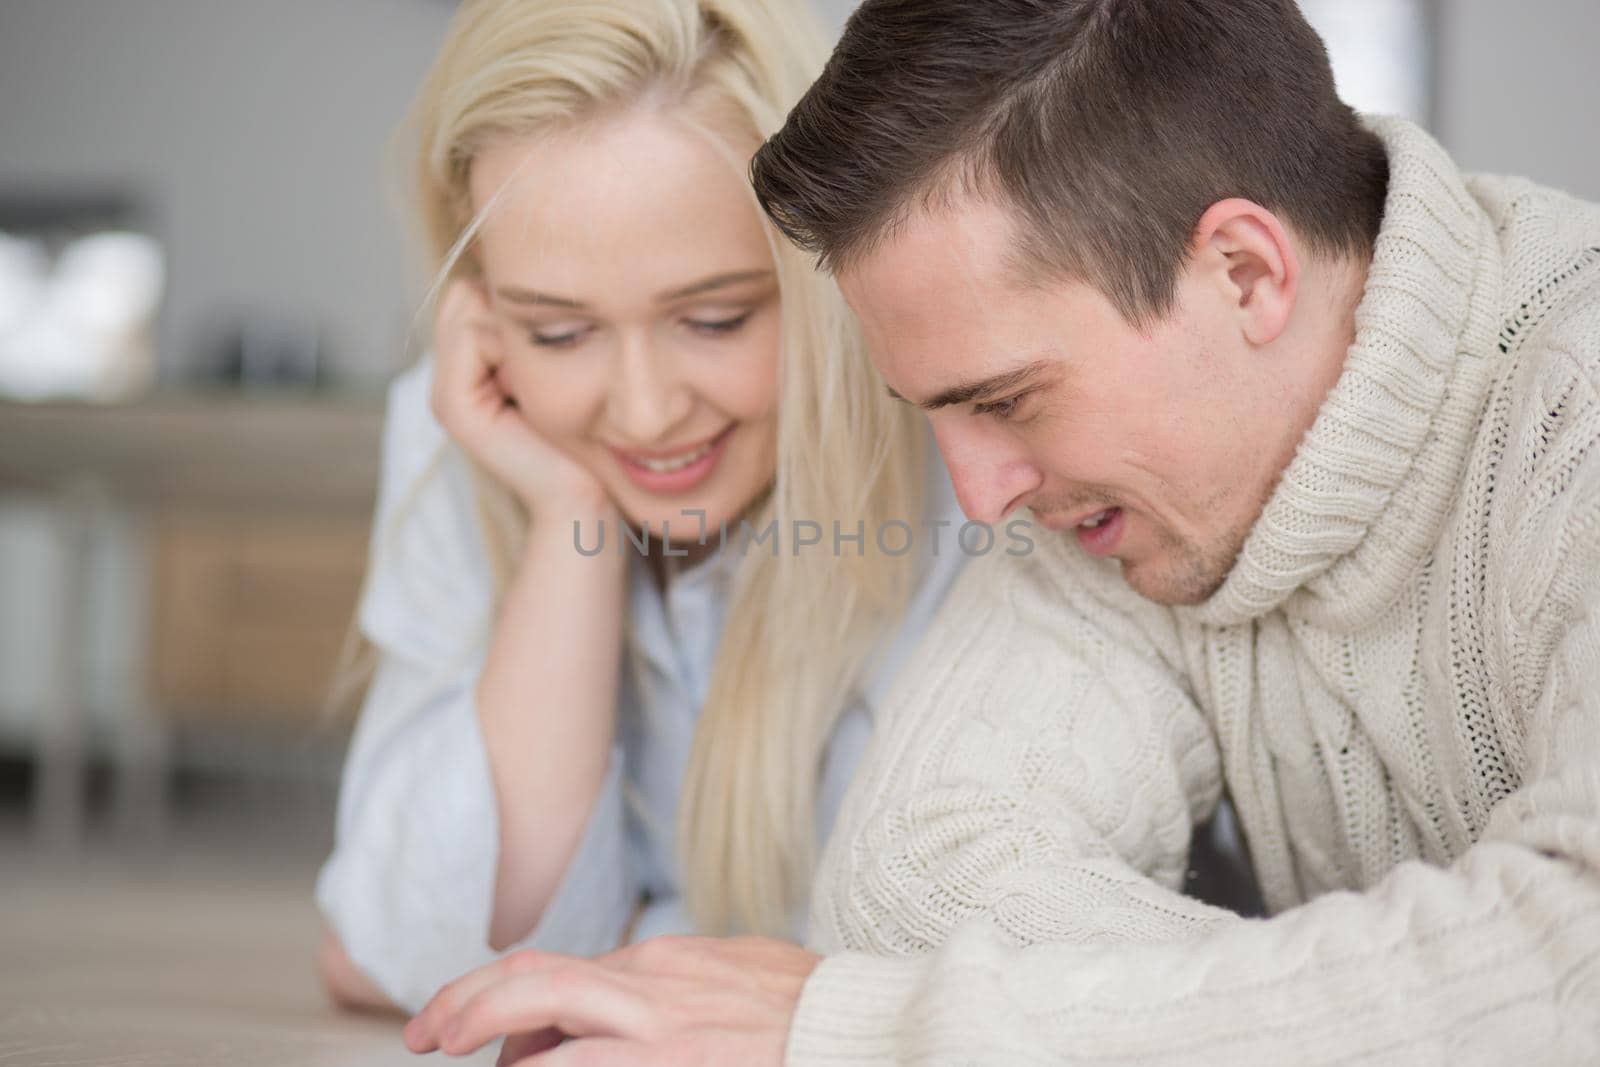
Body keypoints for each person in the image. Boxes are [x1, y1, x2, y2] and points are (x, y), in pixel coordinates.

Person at [400, 0, 1600, 1063]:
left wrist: (859, 1030)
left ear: (1242, 273)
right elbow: (916, 882)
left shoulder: (1574, 407)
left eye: (1007, 398)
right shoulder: (1127, 509)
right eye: (936, 414)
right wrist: (1420, 993)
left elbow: (1570, 967)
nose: (978, 497)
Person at [313, 0, 972, 1017]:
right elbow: (414, 949)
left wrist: (632, 938)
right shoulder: (472, 419)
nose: (648, 410)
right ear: (481, 306)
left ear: (818, 267)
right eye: (559, 332)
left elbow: (976, 942)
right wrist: (566, 520)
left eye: (713, 317)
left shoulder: (962, 442)